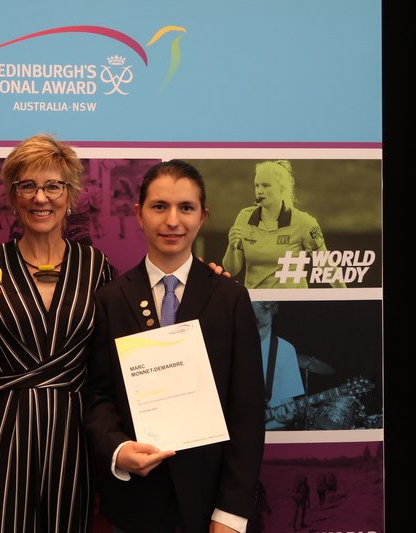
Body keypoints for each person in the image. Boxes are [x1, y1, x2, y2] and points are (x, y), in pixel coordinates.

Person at [83, 160, 265, 532]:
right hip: (135, 506)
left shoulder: (229, 299)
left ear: (203, 216)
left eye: (186, 208)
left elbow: (247, 411)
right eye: (159, 206)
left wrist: (230, 512)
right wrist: (118, 449)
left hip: (211, 505)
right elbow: (98, 394)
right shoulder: (110, 299)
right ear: (138, 214)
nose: (172, 221)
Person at [0, 133, 115, 532]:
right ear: (12, 195)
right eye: (28, 186)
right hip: (0, 431)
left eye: (53, 186)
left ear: (70, 195)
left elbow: (120, 347)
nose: (41, 198)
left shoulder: (96, 267)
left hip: (72, 434)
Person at [221, 160, 346, 289]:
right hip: (255, 300)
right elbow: (231, 270)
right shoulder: (244, 217)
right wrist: (232, 247)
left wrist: (346, 296)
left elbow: (327, 266)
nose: (259, 191)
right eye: (256, 185)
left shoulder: (304, 222)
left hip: (293, 300)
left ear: (282, 187)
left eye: (266, 185)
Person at [252, 301, 305, 430]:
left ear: (272, 313)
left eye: (264, 326)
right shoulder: (234, 347)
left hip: (271, 430)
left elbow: (287, 403)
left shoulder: (285, 350)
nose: (259, 332)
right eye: (254, 324)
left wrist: (287, 416)